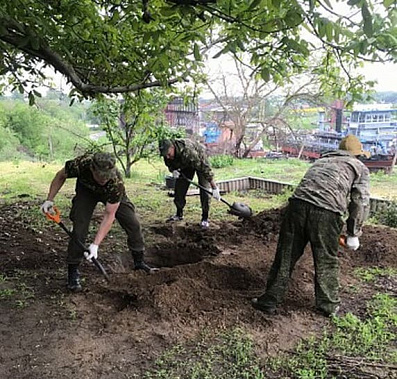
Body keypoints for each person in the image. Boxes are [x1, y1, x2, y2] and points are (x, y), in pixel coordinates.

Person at [252, 135, 370, 317]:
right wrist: (353, 233)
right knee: (326, 261)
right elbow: (360, 202)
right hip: (326, 213)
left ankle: (269, 300)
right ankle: (328, 306)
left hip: (296, 207)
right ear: (357, 154)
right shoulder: (359, 167)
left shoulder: (321, 161)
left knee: (285, 256)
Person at [40, 152, 155, 292]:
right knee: (79, 228)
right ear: (92, 169)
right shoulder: (81, 164)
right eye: (100, 176)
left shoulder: (115, 182)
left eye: (107, 176)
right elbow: (60, 175)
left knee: (132, 223)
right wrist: (49, 199)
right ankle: (73, 270)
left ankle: (139, 262)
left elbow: (109, 215)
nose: (104, 179)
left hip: (110, 193)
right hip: (86, 191)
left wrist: (95, 245)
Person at [159, 138, 221, 229]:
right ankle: (179, 214)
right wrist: (174, 170)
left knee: (204, 189)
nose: (167, 157)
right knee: (179, 188)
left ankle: (205, 218)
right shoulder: (167, 155)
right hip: (185, 165)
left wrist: (214, 188)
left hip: (199, 159)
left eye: (168, 154)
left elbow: (205, 169)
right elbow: (170, 164)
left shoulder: (188, 151)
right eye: (165, 155)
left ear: (172, 147)